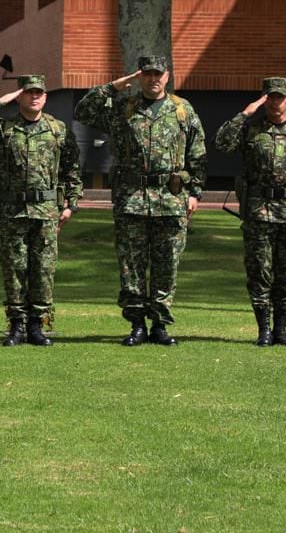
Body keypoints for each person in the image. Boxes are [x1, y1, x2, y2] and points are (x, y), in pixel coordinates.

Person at [74, 56, 207, 346]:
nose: (153, 79)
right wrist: (112, 88)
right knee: (131, 265)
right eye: (147, 74)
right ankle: (136, 324)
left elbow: (197, 154)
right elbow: (83, 112)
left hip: (171, 199)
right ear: (139, 76)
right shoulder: (123, 107)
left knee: (166, 263)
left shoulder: (183, 110)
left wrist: (195, 193)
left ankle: (160, 324)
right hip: (131, 198)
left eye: (158, 74)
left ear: (167, 75)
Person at [0, 74, 82, 347]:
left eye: (39, 92)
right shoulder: (5, 128)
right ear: (21, 96)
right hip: (13, 211)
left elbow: (72, 169)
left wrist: (71, 204)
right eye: (29, 92)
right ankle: (16, 326)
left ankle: (37, 326)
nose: (34, 97)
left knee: (43, 269)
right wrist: (1, 101)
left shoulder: (58, 129)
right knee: (14, 268)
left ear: (46, 96)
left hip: (46, 211)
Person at [215, 77, 286, 347]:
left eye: (280, 97)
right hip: (258, 211)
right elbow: (221, 144)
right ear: (264, 98)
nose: (275, 102)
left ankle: (281, 330)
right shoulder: (250, 129)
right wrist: (245, 113)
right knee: (259, 271)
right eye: (270, 97)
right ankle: (263, 329)